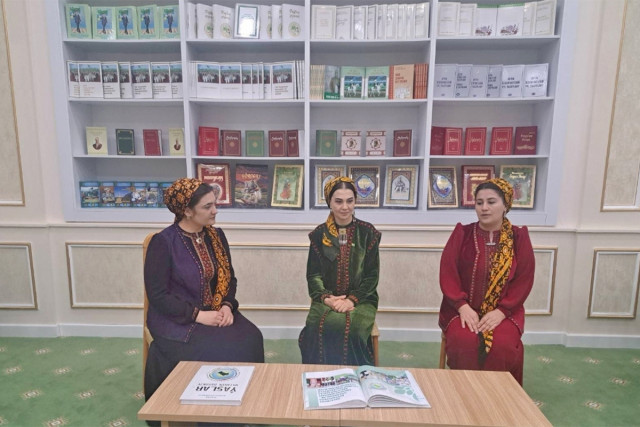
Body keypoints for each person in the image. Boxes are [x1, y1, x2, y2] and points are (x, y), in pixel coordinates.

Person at [144, 178, 264, 401]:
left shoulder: (216, 236)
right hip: (177, 319)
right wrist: (198, 315)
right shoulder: (163, 242)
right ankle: (205, 412)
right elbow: (158, 296)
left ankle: (247, 407)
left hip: (216, 311)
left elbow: (229, 279)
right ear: (187, 211)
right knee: (223, 349)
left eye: (215, 204)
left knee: (252, 337)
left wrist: (227, 306)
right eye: (207, 206)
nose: (215, 211)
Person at [438, 178, 534, 385]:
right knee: (464, 342)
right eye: (479, 202)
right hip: (462, 310)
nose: (484, 208)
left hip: (505, 312)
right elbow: (448, 273)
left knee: (502, 346)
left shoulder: (518, 238)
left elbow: (524, 280)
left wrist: (502, 311)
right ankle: (464, 393)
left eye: (491, 202)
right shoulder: (462, 233)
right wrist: (462, 306)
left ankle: (496, 397)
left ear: (505, 205)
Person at [299, 176, 381, 365]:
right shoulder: (319, 235)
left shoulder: (368, 233)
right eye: (338, 201)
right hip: (327, 299)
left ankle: (357, 377)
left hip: (362, 299)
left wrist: (352, 300)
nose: (345, 207)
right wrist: (327, 298)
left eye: (350, 201)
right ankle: (319, 376)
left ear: (355, 201)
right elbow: (313, 275)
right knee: (315, 329)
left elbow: (372, 276)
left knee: (353, 332)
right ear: (329, 202)